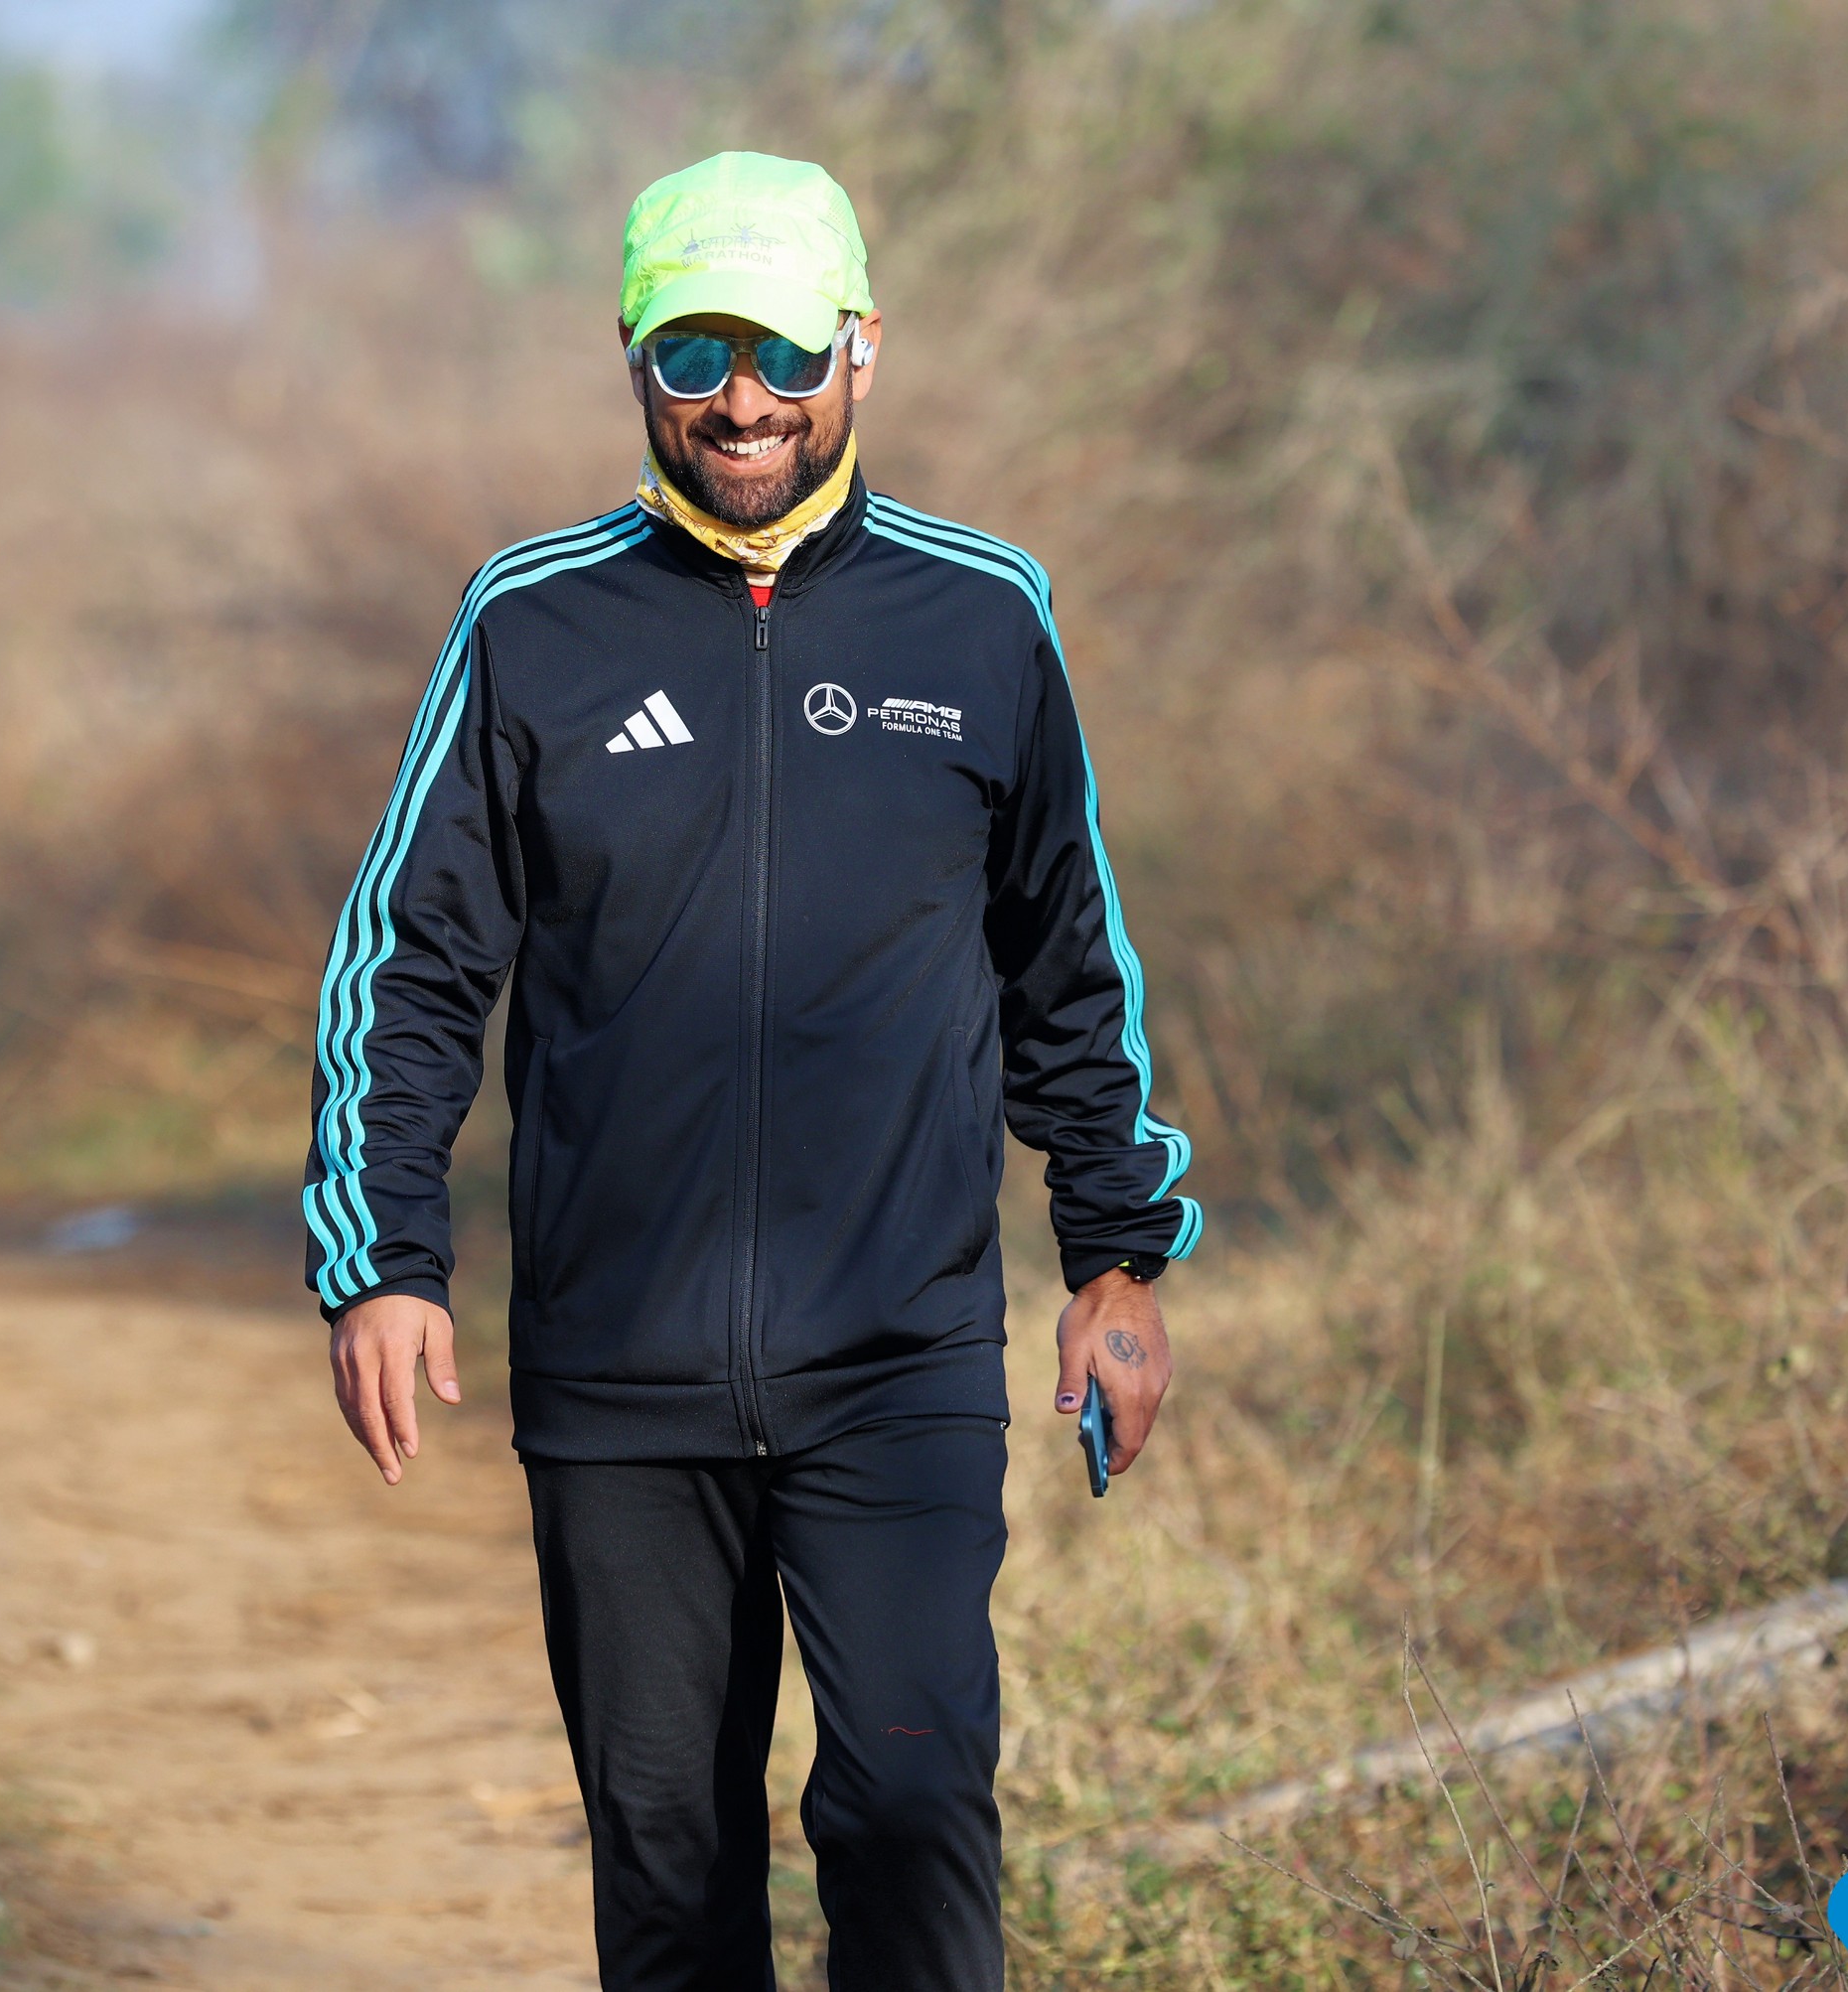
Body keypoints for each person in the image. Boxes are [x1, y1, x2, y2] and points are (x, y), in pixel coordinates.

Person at [303, 150, 1201, 1992]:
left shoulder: (982, 615)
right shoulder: (526, 623)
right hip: (618, 1374)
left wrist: (1117, 1255)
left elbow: (1066, 957)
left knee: (909, 1809)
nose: (740, 400)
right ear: (633, 356)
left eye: (783, 351)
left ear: (859, 346)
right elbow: (410, 963)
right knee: (668, 1869)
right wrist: (382, 1257)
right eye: (693, 351)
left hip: (898, 1355)